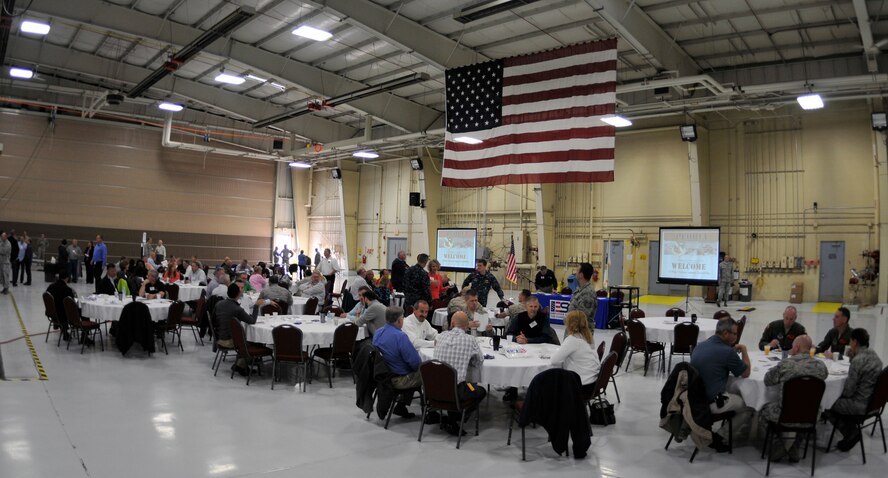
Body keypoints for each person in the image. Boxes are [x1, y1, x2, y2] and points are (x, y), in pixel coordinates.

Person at [759, 335, 827, 462]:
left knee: (763, 412)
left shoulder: (786, 364)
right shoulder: (821, 366)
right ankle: (795, 446)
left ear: (796, 347)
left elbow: (767, 380)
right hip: (811, 415)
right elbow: (824, 376)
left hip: (785, 414)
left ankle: (778, 445)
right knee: (806, 408)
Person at [826, 328, 883, 451]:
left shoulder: (858, 361)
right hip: (873, 403)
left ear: (855, 342)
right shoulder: (874, 355)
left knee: (826, 403)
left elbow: (848, 392)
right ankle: (851, 430)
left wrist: (833, 395)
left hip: (859, 404)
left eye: (850, 341)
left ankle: (851, 433)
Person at [433, 311, 488, 433]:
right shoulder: (470, 340)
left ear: (452, 323)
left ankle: (451, 415)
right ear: (467, 325)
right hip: (457, 391)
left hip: (433, 388)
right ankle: (456, 418)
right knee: (479, 390)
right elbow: (478, 362)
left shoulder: (439, 336)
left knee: (461, 383)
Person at [690, 317, 750, 415]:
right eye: (734, 334)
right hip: (711, 402)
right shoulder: (728, 352)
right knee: (747, 406)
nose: (736, 336)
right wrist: (744, 349)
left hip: (694, 399)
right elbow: (746, 373)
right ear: (726, 333)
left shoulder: (699, 346)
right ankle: (724, 431)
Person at [372, 306, 422, 418]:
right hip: (398, 379)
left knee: (412, 369)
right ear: (399, 320)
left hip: (383, 375)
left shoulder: (378, 333)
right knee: (427, 373)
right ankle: (431, 411)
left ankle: (401, 406)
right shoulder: (401, 337)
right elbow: (415, 362)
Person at [549, 310, 600, 395]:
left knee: (550, 381)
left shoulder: (572, 340)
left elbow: (554, 361)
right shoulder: (587, 336)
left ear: (569, 323)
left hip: (582, 386)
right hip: (593, 382)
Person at [214, 283, 260, 376]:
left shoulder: (219, 304)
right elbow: (251, 321)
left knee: (242, 337)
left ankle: (240, 364)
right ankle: (242, 365)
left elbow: (213, 319)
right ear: (238, 294)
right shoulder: (237, 309)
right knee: (252, 340)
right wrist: (256, 306)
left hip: (219, 336)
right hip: (229, 340)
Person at [46, 269, 76, 340]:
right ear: (67, 278)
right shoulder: (67, 290)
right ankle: (85, 334)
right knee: (80, 311)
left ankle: (63, 329)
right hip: (63, 314)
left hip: (52, 313)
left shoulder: (50, 287)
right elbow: (72, 303)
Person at [567, 262, 597, 328]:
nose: (576, 272)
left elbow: (583, 316)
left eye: (577, 270)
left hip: (581, 332)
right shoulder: (579, 288)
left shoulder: (588, 293)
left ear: (581, 275)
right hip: (573, 328)